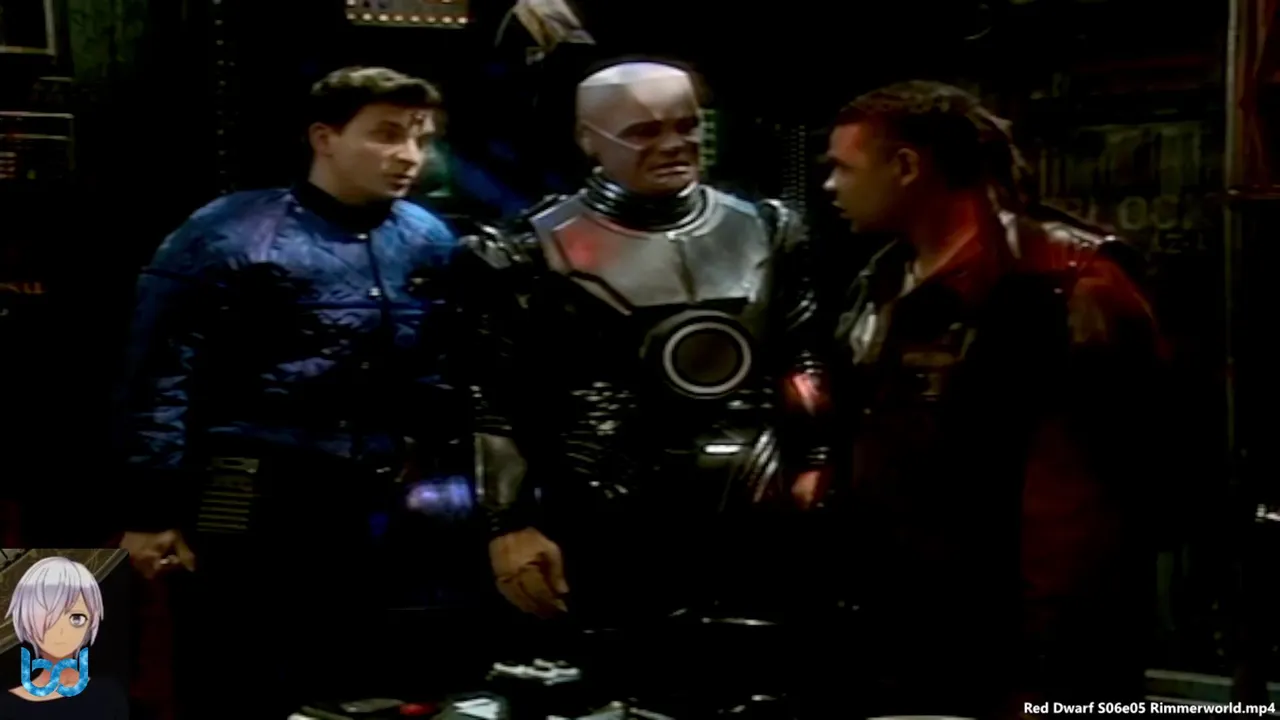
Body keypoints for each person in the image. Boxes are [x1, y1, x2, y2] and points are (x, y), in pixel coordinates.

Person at [117, 66, 460, 718]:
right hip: (248, 486)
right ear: (324, 137)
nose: (410, 156)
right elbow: (160, 373)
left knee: (355, 678)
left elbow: (442, 364)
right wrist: (151, 509)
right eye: (387, 134)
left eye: (421, 138)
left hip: (373, 491)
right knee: (234, 670)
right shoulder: (231, 232)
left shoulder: (427, 238)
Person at [816, 80, 1163, 718]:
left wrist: (1048, 671)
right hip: (905, 633)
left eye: (843, 167)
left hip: (1020, 651)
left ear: (906, 166)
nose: (829, 186)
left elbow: (1085, 505)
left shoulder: (1065, 283)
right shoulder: (882, 280)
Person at [458, 60, 828, 631]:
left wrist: (816, 463)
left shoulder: (769, 229)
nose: (674, 144)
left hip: (757, 495)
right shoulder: (523, 251)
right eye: (644, 131)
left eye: (687, 125)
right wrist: (506, 522)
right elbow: (492, 398)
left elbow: (801, 358)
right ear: (589, 139)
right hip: (602, 504)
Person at [1, 556, 128, 720]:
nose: (61, 630)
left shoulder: (108, 694)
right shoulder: (6, 707)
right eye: (48, 617)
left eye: (76, 618)